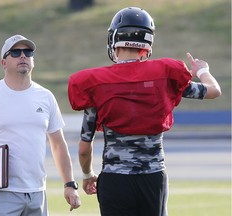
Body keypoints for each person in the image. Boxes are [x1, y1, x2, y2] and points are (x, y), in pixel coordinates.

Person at [68, 7, 221, 216]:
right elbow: (214, 91)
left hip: (115, 180)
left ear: (114, 39)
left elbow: (85, 147)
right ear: (147, 43)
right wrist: (203, 71)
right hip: (152, 177)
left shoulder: (98, 85)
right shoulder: (164, 77)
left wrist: (87, 174)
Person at [0, 34, 81, 216]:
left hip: (38, 193)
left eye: (28, 52)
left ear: (33, 60)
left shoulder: (46, 96)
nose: (23, 56)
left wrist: (70, 184)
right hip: (1, 194)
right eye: (15, 52)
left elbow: (58, 144)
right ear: (3, 63)